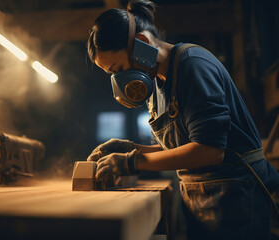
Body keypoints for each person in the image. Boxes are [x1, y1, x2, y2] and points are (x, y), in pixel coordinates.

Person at [86, 0, 279, 239]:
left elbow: (209, 150)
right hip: (201, 198)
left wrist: (132, 161)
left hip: (237, 197)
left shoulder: (193, 66)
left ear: (142, 44)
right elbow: (181, 147)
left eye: (118, 69)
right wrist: (131, 148)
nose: (120, 81)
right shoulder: (156, 83)